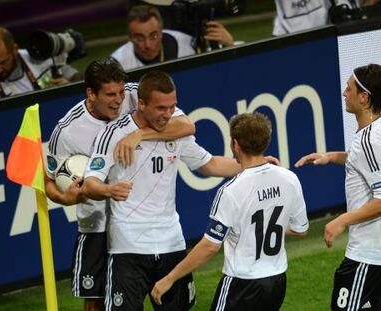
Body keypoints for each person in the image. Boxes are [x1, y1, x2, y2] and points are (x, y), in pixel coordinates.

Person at [83, 71, 281, 310]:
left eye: (172, 107)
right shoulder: (113, 134)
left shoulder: (175, 131)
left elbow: (209, 165)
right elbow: (90, 183)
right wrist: (109, 190)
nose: (168, 114)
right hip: (128, 246)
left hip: (171, 243)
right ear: (142, 104)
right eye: (161, 108)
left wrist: (254, 163)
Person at [45, 60, 195, 311]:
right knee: (95, 301)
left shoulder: (137, 95)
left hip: (135, 226)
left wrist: (139, 134)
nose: (118, 100)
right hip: (96, 222)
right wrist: (70, 199)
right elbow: (49, 183)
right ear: (91, 94)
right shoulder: (67, 131)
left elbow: (186, 126)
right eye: (110, 94)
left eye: (121, 92)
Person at [150, 112, 309, 310]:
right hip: (277, 281)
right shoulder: (289, 179)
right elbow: (300, 230)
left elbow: (210, 246)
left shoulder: (231, 191)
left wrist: (169, 278)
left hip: (242, 285)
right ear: (266, 142)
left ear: (235, 144)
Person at [295, 64, 381, 311]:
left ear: (364, 98)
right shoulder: (373, 135)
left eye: (349, 88)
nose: (344, 93)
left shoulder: (369, 141)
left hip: (368, 256)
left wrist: (341, 220)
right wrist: (333, 157)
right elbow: (367, 162)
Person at [0, 27, 81, 102]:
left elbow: (78, 79)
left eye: (3, 62)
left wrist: (69, 88)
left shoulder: (40, 58)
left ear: (15, 50)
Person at [111, 4, 234, 70]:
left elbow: (216, 72)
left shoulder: (186, 45)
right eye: (139, 38)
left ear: (161, 31)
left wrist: (230, 47)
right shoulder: (118, 63)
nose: (147, 45)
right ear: (130, 37)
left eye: (153, 36)